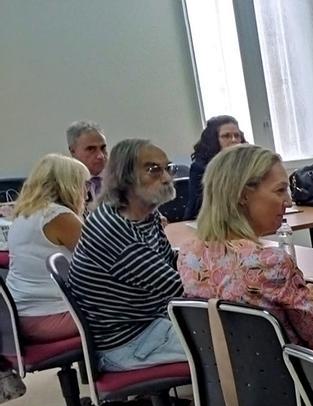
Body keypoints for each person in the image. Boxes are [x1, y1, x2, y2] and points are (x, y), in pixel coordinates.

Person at [177, 144, 313, 372]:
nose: (289, 201)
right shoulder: (270, 263)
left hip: (233, 387)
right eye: (280, 190)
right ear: (243, 195)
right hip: (299, 387)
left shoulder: (188, 256)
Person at [69, 139, 187, 371]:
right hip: (128, 343)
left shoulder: (145, 213)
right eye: (154, 170)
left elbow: (171, 264)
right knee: (236, 343)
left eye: (168, 168)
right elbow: (179, 287)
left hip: (150, 323)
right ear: (125, 177)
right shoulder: (113, 228)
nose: (166, 178)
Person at [5, 155, 89, 342]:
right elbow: (104, 258)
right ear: (69, 185)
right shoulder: (57, 215)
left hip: (19, 317)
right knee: (132, 306)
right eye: (84, 184)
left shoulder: (24, 215)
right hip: (50, 316)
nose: (86, 192)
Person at [184, 115, 245, 220]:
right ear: (214, 140)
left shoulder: (247, 164)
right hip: (209, 221)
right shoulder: (200, 167)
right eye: (226, 136)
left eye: (237, 135)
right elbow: (202, 205)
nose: (234, 140)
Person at [66, 121, 107, 212]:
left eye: (103, 148)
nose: (100, 156)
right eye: (91, 149)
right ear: (72, 151)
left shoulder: (121, 180)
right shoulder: (64, 185)